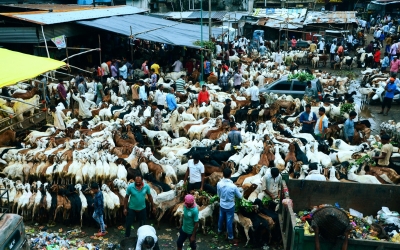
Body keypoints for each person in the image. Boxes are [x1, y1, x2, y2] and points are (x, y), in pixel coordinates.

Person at [217, 168, 242, 243]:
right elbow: (240, 196)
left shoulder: (219, 184)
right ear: (230, 175)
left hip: (222, 204)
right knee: (229, 221)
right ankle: (230, 237)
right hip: (230, 206)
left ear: (223, 174)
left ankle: (219, 230)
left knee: (221, 217)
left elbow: (218, 194)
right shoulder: (233, 186)